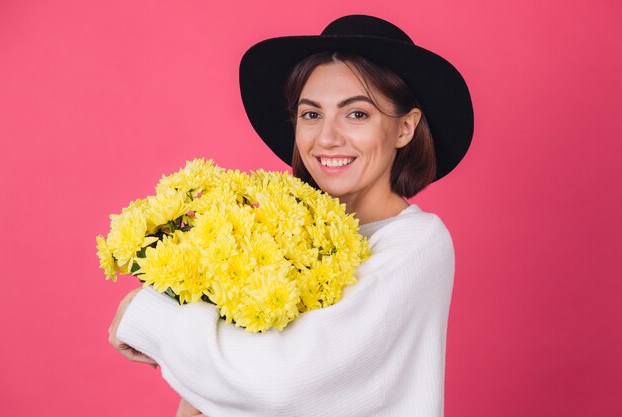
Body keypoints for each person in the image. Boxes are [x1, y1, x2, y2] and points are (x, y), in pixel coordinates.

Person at [108, 14, 474, 417]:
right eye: (311, 114)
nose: (327, 138)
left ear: (405, 128)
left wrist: (147, 315)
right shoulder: (281, 232)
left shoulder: (418, 244)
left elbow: (281, 382)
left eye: (356, 114)